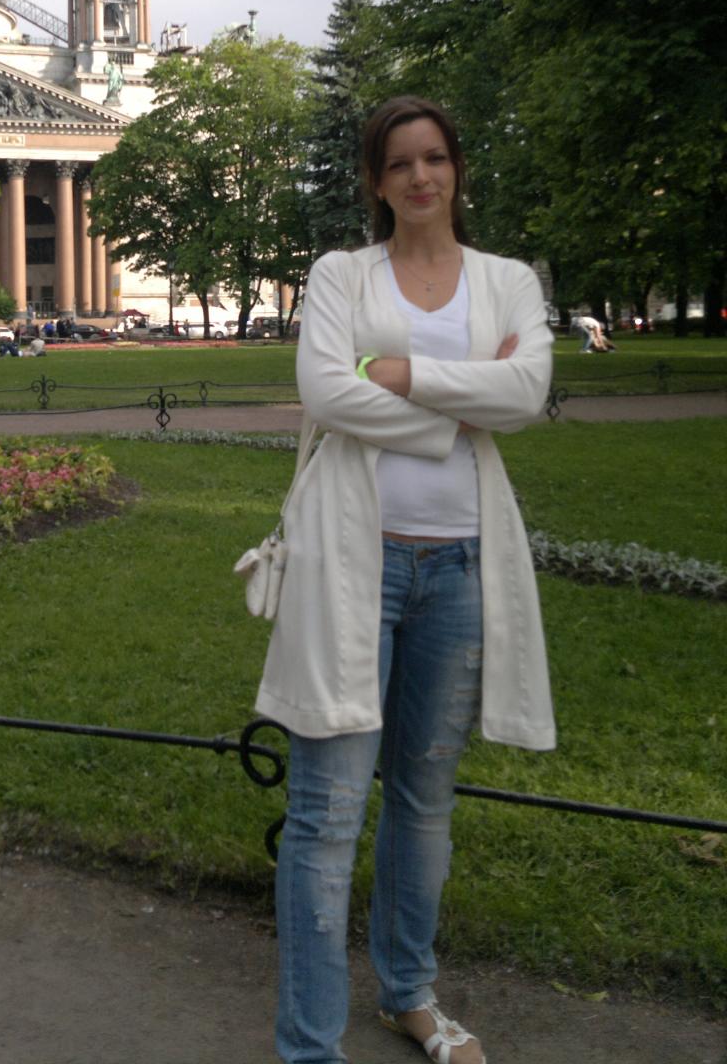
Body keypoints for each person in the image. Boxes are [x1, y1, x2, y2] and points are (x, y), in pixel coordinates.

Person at [257, 95, 554, 1064]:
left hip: (461, 564)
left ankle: (408, 995)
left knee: (424, 803)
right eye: (399, 163)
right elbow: (323, 388)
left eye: (435, 158)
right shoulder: (341, 273)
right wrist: (458, 406)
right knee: (327, 810)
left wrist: (396, 372)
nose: (420, 176)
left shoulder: (507, 281)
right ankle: (310, 1045)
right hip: (352, 564)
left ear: (456, 167)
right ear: (376, 182)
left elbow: (527, 392)